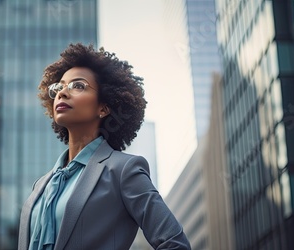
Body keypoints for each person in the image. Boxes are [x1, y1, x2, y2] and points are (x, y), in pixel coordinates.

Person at [18, 43, 191, 250]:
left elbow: (175, 243)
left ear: (104, 107)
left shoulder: (122, 170)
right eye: (59, 87)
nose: (63, 93)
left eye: (78, 85)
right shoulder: (42, 184)